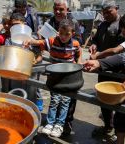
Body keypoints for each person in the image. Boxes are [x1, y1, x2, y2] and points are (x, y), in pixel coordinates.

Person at [24, 19, 82, 137]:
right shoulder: (52, 41)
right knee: (54, 100)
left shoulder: (75, 44)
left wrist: (79, 62)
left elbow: (78, 53)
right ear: (58, 32)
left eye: (67, 34)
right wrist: (28, 41)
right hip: (55, 77)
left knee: (65, 101)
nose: (63, 37)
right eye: (61, 33)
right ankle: (50, 123)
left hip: (68, 78)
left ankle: (59, 125)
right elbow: (37, 42)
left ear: (73, 33)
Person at [89, 1, 125, 138]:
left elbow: (120, 49)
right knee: (104, 99)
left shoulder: (124, 24)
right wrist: (94, 45)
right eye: (104, 12)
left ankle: (118, 131)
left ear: (117, 9)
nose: (106, 15)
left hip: (118, 70)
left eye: (109, 11)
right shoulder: (102, 24)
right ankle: (108, 126)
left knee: (118, 100)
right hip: (102, 68)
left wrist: (99, 56)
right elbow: (96, 40)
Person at [46, 0, 82, 134]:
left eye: (61, 9)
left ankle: (65, 123)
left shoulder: (74, 22)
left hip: (69, 71)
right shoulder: (50, 21)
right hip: (55, 68)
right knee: (55, 97)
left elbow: (79, 43)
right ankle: (52, 122)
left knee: (68, 99)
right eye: (56, 9)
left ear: (67, 9)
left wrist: (76, 62)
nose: (58, 12)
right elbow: (42, 40)